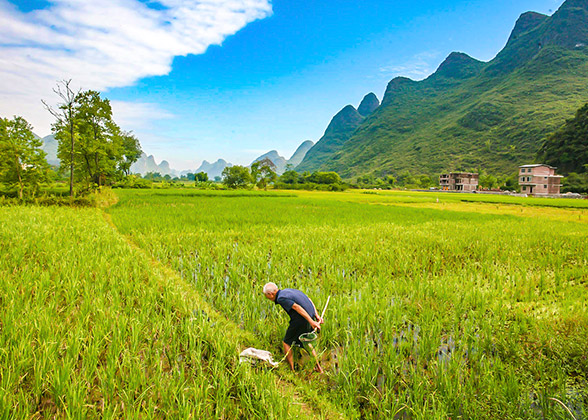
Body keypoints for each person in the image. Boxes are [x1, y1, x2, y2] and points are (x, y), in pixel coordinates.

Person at [263, 282, 324, 373]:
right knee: (307, 343)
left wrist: (311, 322)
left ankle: (292, 370)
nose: (267, 298)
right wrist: (316, 315)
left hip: (302, 320)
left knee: (286, 342)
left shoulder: (281, 298)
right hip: (310, 316)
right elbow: (308, 299)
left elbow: (296, 307)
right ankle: (319, 368)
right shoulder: (288, 291)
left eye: (266, 296)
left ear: (270, 294)